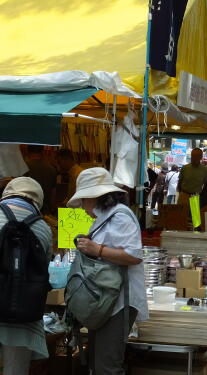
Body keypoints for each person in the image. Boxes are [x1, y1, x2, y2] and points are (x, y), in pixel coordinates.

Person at [67, 168, 148, 374]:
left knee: (107, 366)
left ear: (94, 197)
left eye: (83, 200)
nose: (82, 207)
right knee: (99, 361)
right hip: (106, 301)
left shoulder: (119, 217)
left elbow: (134, 255)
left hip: (119, 302)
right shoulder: (104, 218)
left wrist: (98, 250)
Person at [0, 177, 52, 375]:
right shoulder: (44, 229)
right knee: (16, 370)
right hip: (24, 314)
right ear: (37, 201)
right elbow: (44, 268)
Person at [24, 145, 57, 214]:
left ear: (27, 152)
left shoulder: (24, 168)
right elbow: (53, 192)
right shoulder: (51, 169)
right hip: (46, 209)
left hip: (28, 209)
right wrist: (52, 208)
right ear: (42, 152)